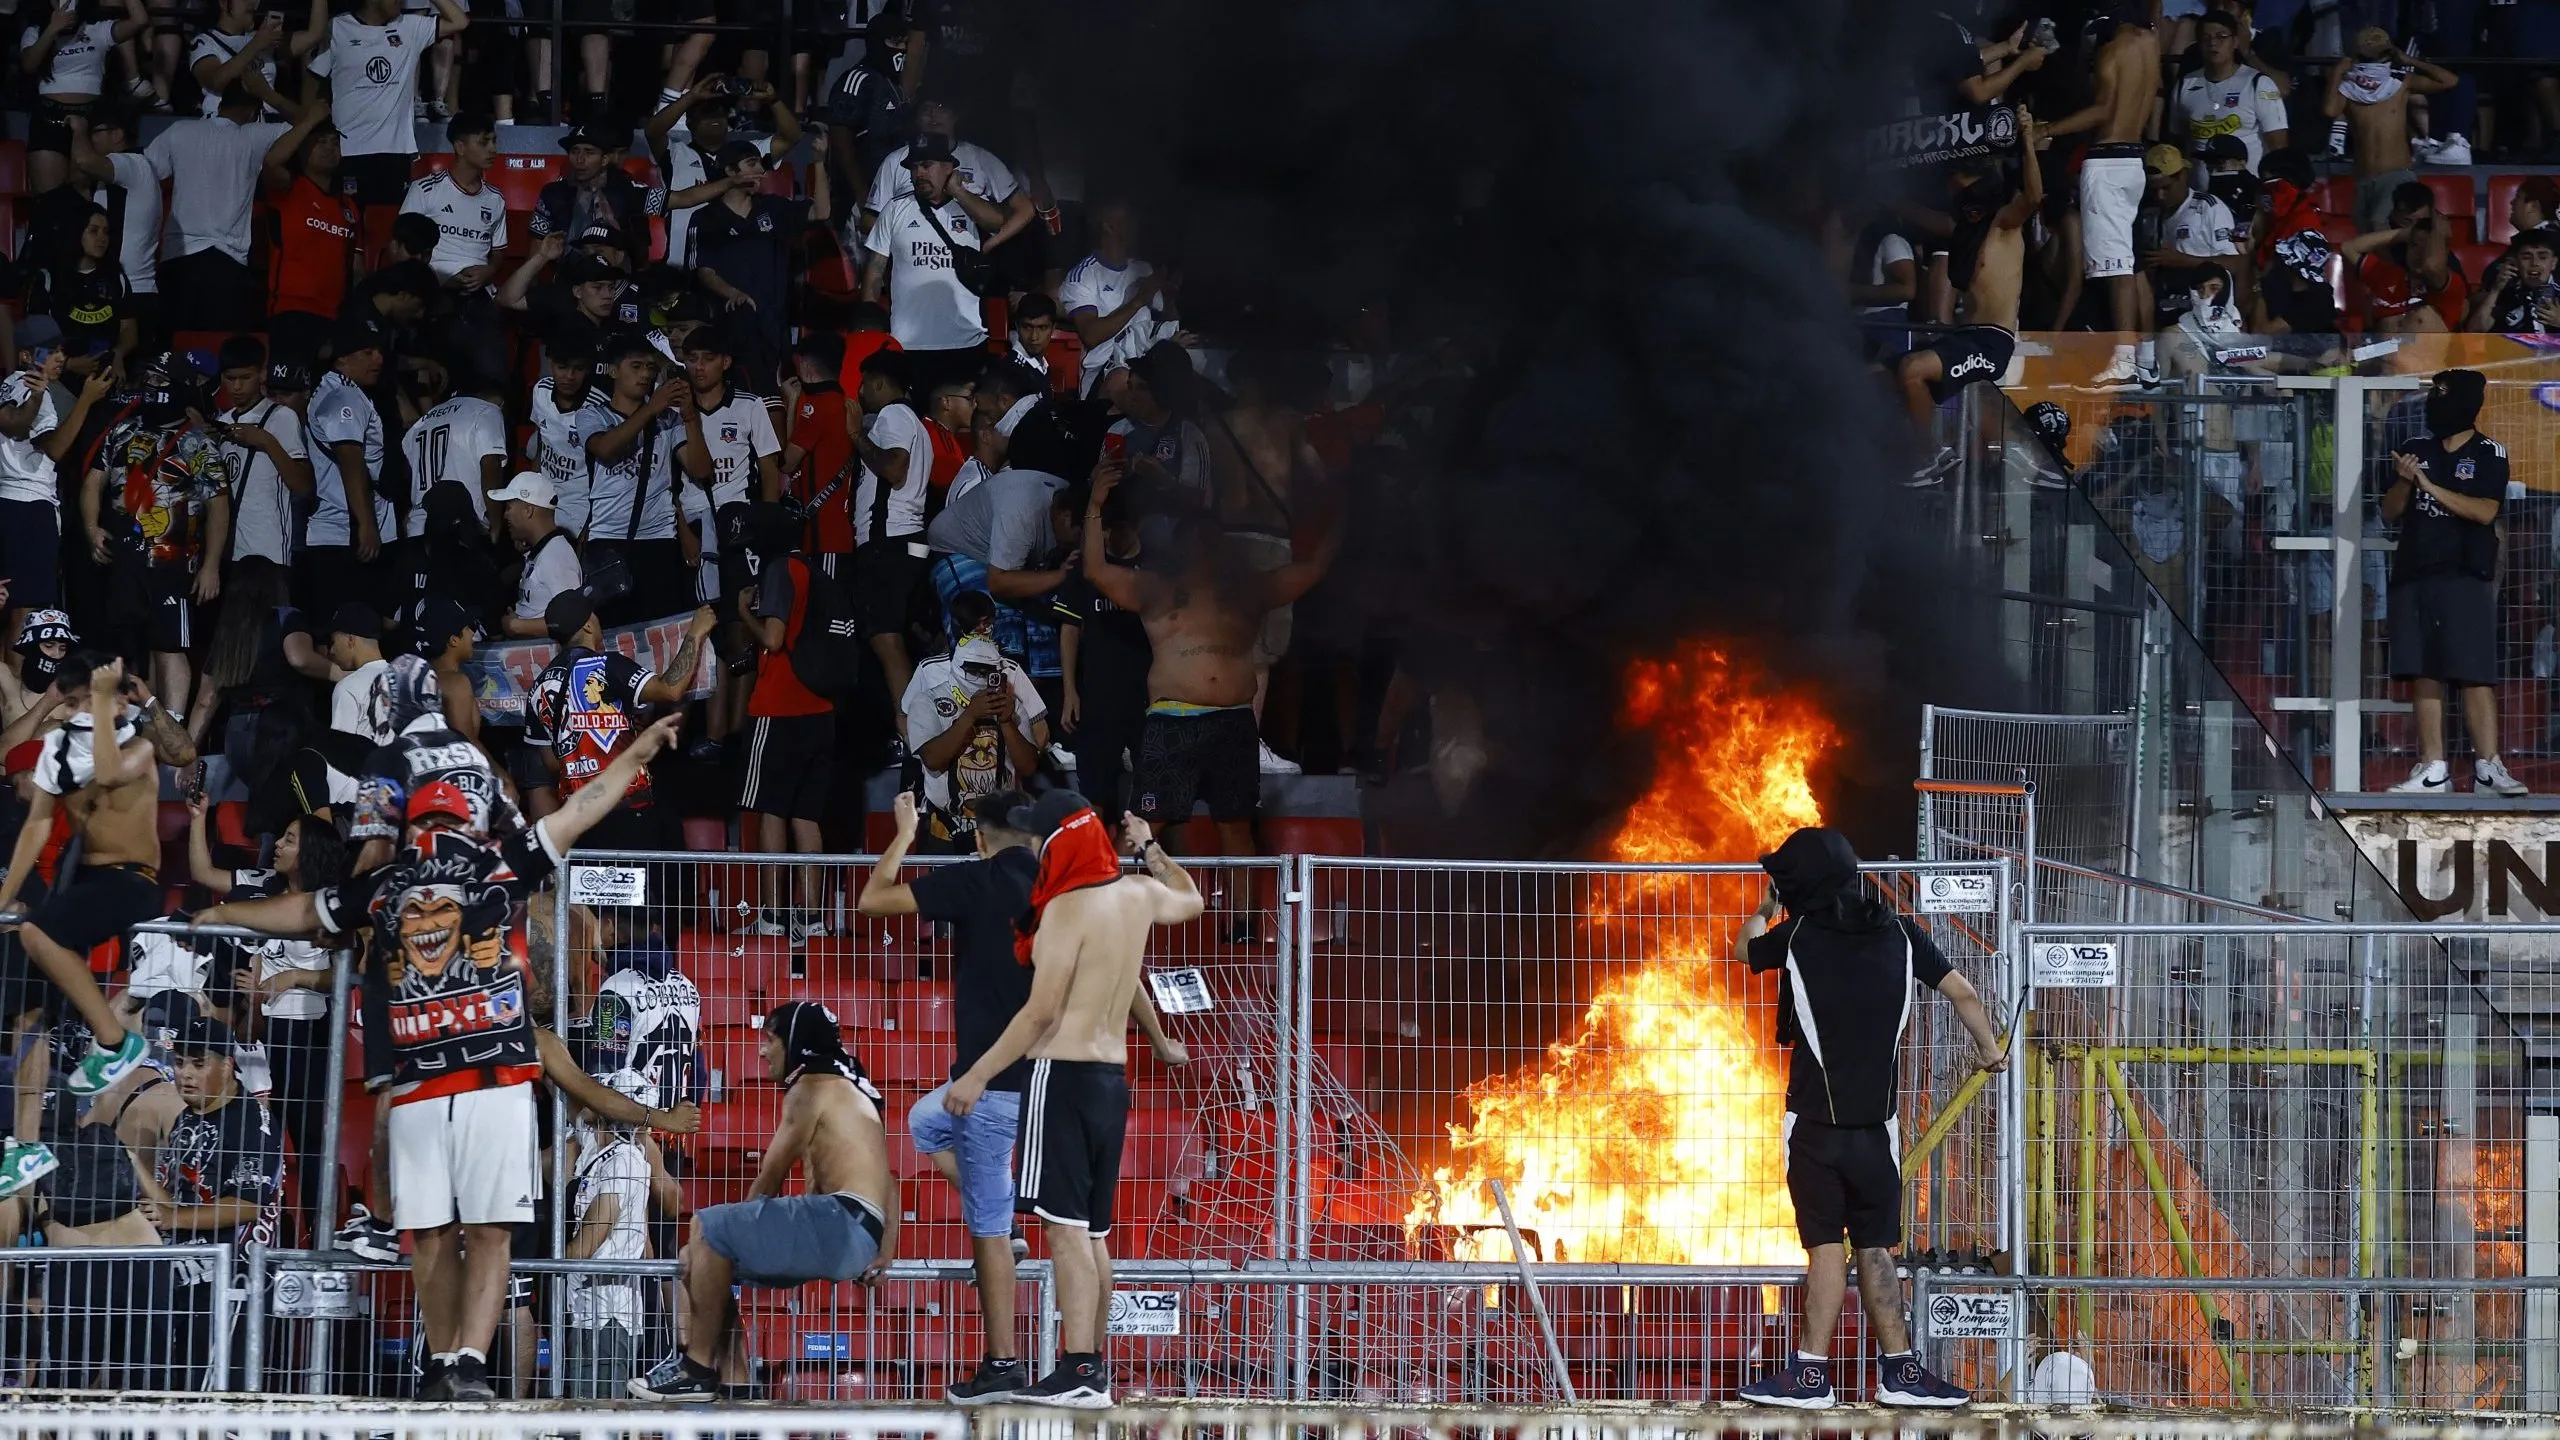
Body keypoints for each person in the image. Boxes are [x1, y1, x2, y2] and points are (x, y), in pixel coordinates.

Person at [197, 709, 685, 1402]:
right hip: (452, 1081)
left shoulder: (462, 871)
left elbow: (581, 808)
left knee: (462, 1232)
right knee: (446, 1233)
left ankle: (463, 1365)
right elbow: (308, 911)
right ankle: (451, 1363)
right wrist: (224, 914)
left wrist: (635, 751)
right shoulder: (435, 875)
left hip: (479, 1077)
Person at [940, 792, 1200, 1408]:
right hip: (1113, 1081)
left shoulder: (1063, 909)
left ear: (1060, 840)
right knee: (1093, 1234)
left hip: (1061, 1076)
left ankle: (1079, 1369)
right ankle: (1093, 1366)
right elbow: (1190, 898)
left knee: (1063, 1232)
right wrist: (1149, 847)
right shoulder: (1136, 895)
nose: (1033, 848)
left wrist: (977, 1075)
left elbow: (1041, 1012)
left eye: (1039, 838)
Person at [1731, 826, 2005, 1409]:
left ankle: (1809, 1378)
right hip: (1877, 1132)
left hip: (1810, 1128)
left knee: (1826, 1248)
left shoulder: (1795, 935)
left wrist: (1763, 911)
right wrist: (1989, 1051)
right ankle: (1900, 1374)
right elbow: (1963, 994)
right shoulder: (1903, 933)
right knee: (1877, 1247)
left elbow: (1744, 949)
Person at [857, 787, 1038, 1400]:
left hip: (988, 1086)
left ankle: (1003, 1365)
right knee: (922, 1122)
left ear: (981, 839)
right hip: (1050, 1082)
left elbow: (873, 898)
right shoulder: (1064, 885)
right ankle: (1009, 1223)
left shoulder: (978, 879)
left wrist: (905, 834)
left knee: (986, 1229)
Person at [629, 998, 898, 1401]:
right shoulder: (852, 1089)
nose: (761, 1050)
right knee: (701, 1260)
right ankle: (736, 1383)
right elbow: (889, 1180)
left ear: (795, 1042)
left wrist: (732, 1229)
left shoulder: (810, 1087)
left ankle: (697, 1370)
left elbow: (769, 1179)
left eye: (770, 1039)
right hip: (859, 1228)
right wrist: (885, 1249)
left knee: (707, 1228)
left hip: (840, 1221)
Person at [1083, 465, 1337, 867]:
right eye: (1197, 542)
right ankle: (1111, 919)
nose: (1206, 550)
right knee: (1145, 824)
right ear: (1180, 549)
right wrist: (1095, 506)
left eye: (1213, 542)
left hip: (1233, 723)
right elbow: (1094, 571)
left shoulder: (1248, 590)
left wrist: (1340, 511)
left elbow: (1312, 571)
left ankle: (1241, 929)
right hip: (1173, 721)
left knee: (1236, 828)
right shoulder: (1155, 588)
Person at [0, 657, 197, 1151]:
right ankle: (24, 1146)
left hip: (132, 879)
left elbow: (108, 772)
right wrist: (2, 902)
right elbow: (37, 828)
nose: (67, 714)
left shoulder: (137, 748)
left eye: (76, 703)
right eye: (68, 704)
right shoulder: (61, 756)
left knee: (37, 933)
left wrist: (111, 699)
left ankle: (114, 1041)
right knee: (28, 999)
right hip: (83, 884)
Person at [186, 797, 343, 1235]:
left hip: (306, 1033)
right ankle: (264, 1233)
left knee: (307, 1143)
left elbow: (348, 973)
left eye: (289, 840)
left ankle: (316, 1234)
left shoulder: (330, 903)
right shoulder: (262, 882)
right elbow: (202, 874)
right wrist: (198, 819)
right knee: (258, 1139)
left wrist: (294, 976)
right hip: (257, 1030)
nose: (277, 846)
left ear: (309, 852)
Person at [2382, 370, 2525, 797]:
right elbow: (2390, 512)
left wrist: (2429, 484)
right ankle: (2432, 768)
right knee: (2424, 670)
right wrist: (2407, 482)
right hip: (2414, 570)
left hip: (2465, 573)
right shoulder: (2414, 449)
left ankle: (2488, 768)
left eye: (2445, 398)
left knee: (2473, 671)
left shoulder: (2489, 452)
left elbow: (2484, 511)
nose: (2436, 407)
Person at [82, 351, 234, 728]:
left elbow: (218, 505)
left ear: (179, 385)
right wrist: (91, 529)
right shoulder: (122, 430)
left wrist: (212, 565)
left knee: (170, 646)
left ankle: (174, 726)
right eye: (146, 378)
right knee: (130, 645)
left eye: (159, 379)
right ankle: (136, 724)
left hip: (173, 562)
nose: (149, 386)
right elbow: (93, 481)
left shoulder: (198, 444)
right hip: (123, 559)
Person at [147, 1012, 286, 1388]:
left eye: (198, 1063)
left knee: (216, 1403)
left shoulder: (251, 1121)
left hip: (234, 1283)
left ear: (226, 1066)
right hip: (184, 1278)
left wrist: (173, 1218)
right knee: (179, 1396)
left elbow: (247, 1204)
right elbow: (172, 1200)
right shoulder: (185, 1118)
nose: (185, 1074)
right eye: (179, 1063)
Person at [1897, 123, 2038, 482]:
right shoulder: (1962, 228)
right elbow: (1919, 214)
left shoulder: (2004, 224)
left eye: (1959, 185)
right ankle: (1934, 451)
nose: (1953, 192)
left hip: (1992, 341)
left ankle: (1929, 456)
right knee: (1882, 373)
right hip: (1966, 335)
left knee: (1913, 368)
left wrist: (2027, 138)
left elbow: (2034, 196)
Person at [526, 591, 714, 852]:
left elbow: (550, 761)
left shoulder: (539, 686)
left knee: (587, 893)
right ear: (588, 625)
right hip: (626, 809)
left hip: (577, 818)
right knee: (635, 890)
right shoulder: (605, 666)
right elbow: (670, 689)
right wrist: (696, 632)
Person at [2044, 4, 2163, 385]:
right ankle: (2145, 356)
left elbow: (2102, 109)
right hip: (2134, 161)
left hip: (2108, 164)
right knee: (2129, 263)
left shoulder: (2113, 50)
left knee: (2116, 269)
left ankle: (2125, 357)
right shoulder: (2151, 44)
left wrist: (2048, 129)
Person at [735, 512, 839, 939]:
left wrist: (744, 611)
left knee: (772, 811)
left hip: (779, 708)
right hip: (822, 711)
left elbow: (774, 638)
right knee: (808, 815)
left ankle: (774, 919)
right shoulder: (820, 572)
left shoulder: (780, 569)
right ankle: (812, 922)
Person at [146, 86, 314, 332]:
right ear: (253, 113)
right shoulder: (255, 135)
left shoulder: (180, 130)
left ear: (221, 105)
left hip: (177, 254)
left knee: (173, 343)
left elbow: (147, 172)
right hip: (226, 259)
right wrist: (267, 92)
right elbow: (306, 123)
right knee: (214, 346)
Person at [901, 591, 1048, 850]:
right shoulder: (930, 674)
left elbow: (1038, 736)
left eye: (988, 622)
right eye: (975, 622)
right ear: (957, 625)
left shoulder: (1009, 674)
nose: (983, 629)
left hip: (999, 818)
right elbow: (907, 722)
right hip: (945, 816)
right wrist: (922, 752)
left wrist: (1006, 721)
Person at [580, 331, 706, 626]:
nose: (645, 375)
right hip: (607, 538)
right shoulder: (592, 416)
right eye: (636, 367)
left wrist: (689, 417)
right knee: (609, 635)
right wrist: (652, 408)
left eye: (650, 368)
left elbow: (700, 470)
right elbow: (605, 449)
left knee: (657, 635)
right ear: (613, 370)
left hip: (658, 541)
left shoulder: (668, 420)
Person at [692, 136, 833, 388]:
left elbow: (820, 212)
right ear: (730, 171)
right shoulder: (705, 217)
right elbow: (703, 270)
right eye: (752, 163)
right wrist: (734, 293)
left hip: (774, 323)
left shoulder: (774, 208)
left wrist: (819, 163)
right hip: (731, 325)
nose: (761, 170)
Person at [861, 135, 993, 394]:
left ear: (948, 167)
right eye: (914, 167)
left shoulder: (971, 207)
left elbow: (998, 222)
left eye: (927, 165)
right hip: (908, 344)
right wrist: (868, 335)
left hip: (965, 342)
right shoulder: (894, 209)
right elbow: (874, 277)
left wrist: (959, 192)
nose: (919, 173)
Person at [1054, 490, 1151, 828]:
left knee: (1154, 802)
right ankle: (1097, 875)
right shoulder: (1086, 567)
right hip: (1098, 696)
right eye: (1102, 528)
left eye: (1114, 528)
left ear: (1134, 524)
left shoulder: (1155, 567)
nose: (1107, 536)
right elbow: (1069, 627)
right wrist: (1070, 692)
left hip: (1149, 699)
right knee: (1095, 799)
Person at [2, 347, 115, 633]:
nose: (61, 358)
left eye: (62, 351)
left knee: (9, 602)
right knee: (26, 608)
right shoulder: (35, 390)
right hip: (29, 507)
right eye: (50, 351)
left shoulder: (8, 384)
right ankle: (17, 678)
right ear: (26, 356)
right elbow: (54, 448)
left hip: (9, 500)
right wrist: (87, 400)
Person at [562, 1068, 659, 1398]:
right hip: (586, 1306)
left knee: (597, 1414)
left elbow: (591, 1238)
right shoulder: (596, 1150)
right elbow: (573, 1095)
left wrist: (551, 1268)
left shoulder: (625, 1160)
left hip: (607, 1313)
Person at [852, 349, 936, 702]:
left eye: (863, 382)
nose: (859, 391)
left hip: (888, 541)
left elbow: (894, 469)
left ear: (879, 382)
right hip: (909, 542)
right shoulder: (917, 423)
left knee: (885, 637)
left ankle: (911, 732)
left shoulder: (894, 415)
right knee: (901, 634)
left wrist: (856, 436)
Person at [328, 0, 468, 211]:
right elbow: (315, 83)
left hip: (395, 154)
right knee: (347, 230)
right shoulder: (337, 27)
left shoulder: (410, 27)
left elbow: (460, 21)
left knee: (388, 231)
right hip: (348, 151)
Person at [2323, 28, 2458, 236]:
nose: (2374, 62)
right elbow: (2330, 110)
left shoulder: (2401, 82)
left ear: (2389, 55)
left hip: (2396, 177)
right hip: (2364, 179)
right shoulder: (2348, 87)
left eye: (2378, 56)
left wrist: (2411, 61)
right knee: (2365, 236)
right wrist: (2336, 74)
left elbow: (2449, 81)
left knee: (2381, 231)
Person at [302, 319, 394, 620]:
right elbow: (350, 460)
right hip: (344, 535)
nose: (378, 359)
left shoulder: (342, 391)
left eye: (380, 351)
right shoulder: (344, 396)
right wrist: (366, 525)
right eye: (368, 352)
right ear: (342, 357)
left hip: (340, 533)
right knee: (354, 633)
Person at [17, 0, 149, 197]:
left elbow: (140, 20)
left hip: (90, 119)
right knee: (48, 200)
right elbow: (29, 64)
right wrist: (52, 29)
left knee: (85, 196)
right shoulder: (35, 32)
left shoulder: (97, 29)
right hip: (49, 117)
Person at [259, 122, 360, 368]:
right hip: (291, 312)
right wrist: (311, 117)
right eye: (320, 142)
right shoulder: (289, 188)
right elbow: (271, 163)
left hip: (334, 318)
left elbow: (357, 268)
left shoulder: (349, 206)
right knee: (290, 395)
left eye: (335, 142)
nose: (329, 148)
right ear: (302, 149)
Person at [1059, 201, 1183, 397]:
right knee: (1128, 381)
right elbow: (1091, 336)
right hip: (1104, 372)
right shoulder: (1084, 275)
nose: (1136, 226)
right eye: (1128, 220)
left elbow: (1168, 321)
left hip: (1147, 360)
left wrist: (1169, 298)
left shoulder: (1143, 269)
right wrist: (1137, 301)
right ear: (1108, 227)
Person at [2343, 182, 2469, 335]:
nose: (2418, 253)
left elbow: (2431, 266)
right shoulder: (2388, 273)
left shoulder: (2450, 286)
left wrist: (2438, 232)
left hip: (2427, 356)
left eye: (2425, 247)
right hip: (2378, 353)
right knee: (2332, 355)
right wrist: (2405, 233)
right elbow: (2348, 248)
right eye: (2414, 245)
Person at [2173, 9, 2289, 169]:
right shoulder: (2184, 85)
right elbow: (2177, 141)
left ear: (2235, 42)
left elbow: (2279, 147)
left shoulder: (2259, 83)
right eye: (2206, 38)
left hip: (2247, 190)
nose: (2213, 43)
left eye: (2221, 36)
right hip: (2200, 191)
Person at [495, 472, 583, 640]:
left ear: (528, 511)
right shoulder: (542, 550)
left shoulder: (556, 556)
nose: (505, 515)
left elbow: (573, 622)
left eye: (509, 507)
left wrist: (517, 626)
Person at [2471, 230, 2560, 334]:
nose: (2534, 263)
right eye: (2526, 257)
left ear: (2553, 263)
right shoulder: (2507, 294)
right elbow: (2475, 331)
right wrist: (2495, 290)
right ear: (2516, 263)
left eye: (2542, 257)